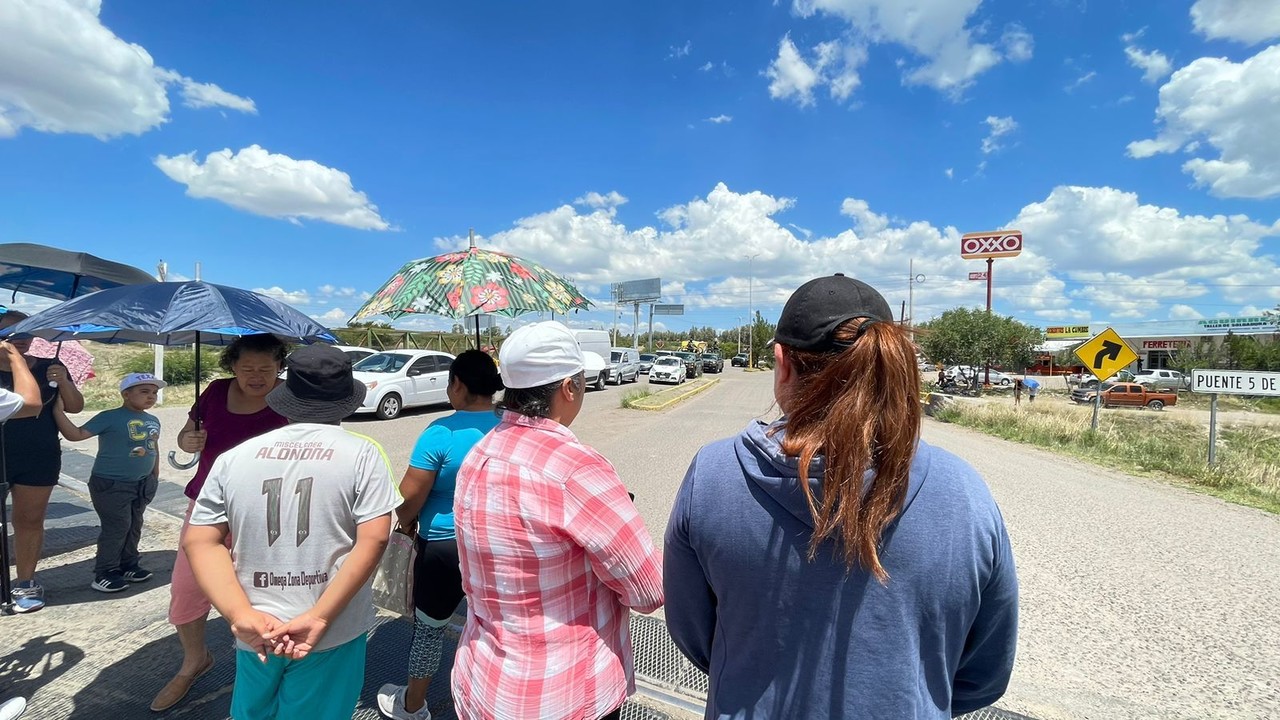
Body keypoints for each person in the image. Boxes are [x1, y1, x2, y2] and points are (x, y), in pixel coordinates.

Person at [663, 273, 1019, 719]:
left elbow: (696, 636)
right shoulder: (965, 492)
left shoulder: (712, 476)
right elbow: (983, 674)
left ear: (783, 363)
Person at [451, 322, 664, 720]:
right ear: (569, 388)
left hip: (482, 683)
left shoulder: (479, 455)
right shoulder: (576, 468)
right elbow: (648, 589)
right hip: (562, 694)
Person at [183, 344, 400, 720]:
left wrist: (238, 614)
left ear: (284, 396)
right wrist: (319, 617)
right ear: (347, 402)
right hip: (333, 627)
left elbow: (199, 539)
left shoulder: (235, 456)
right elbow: (376, 537)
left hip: (256, 625)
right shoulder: (363, 452)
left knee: (253, 709)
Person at [152, 334, 290, 712]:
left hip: (269, 510)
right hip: (208, 506)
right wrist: (187, 439)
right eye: (247, 368)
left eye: (267, 368)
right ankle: (195, 660)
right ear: (232, 366)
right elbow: (185, 434)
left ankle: (269, 667)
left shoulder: (289, 396)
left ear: (281, 365)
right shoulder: (214, 391)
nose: (257, 376)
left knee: (265, 593)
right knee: (185, 587)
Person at [377, 351, 503, 720]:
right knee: (494, 624)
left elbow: (409, 497)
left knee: (430, 628)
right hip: (498, 543)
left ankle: (413, 705)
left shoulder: (440, 433)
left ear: (458, 385)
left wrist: (405, 520)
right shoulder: (511, 428)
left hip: (444, 548)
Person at [0, 309, 84, 613]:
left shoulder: (51, 366)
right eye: (10, 333)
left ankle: (25, 582)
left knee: (29, 521)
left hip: (39, 455)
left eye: (27, 331)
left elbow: (74, 407)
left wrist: (62, 381)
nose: (20, 339)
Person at [52, 373, 165, 593]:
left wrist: (154, 476)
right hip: (111, 484)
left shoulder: (153, 420)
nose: (151, 396)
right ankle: (106, 572)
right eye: (144, 391)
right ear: (126, 394)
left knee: (134, 525)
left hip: (142, 483)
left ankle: (128, 564)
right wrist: (57, 411)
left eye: (154, 392)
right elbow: (76, 435)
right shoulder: (109, 417)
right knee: (117, 527)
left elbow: (153, 448)